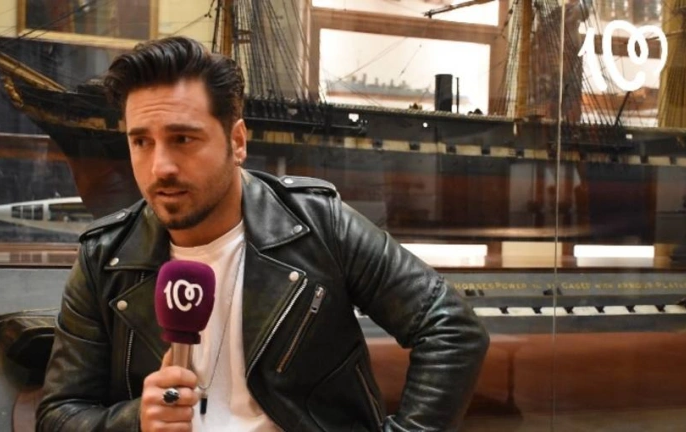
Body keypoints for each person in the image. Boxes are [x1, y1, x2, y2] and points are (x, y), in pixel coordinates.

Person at [36, 35, 489, 432]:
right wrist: (135, 420)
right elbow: (58, 415)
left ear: (237, 141)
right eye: (141, 142)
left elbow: (450, 326)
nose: (161, 167)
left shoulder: (318, 225)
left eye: (183, 139)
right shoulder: (105, 257)